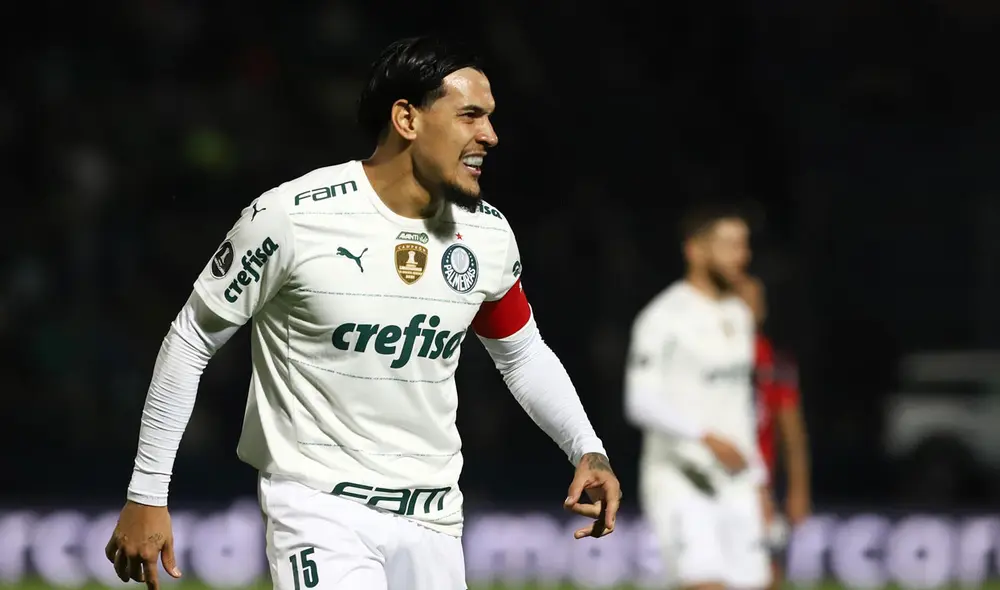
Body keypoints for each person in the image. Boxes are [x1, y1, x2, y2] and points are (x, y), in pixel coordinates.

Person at [104, 36, 621, 590]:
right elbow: (190, 340)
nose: (490, 136)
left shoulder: (488, 234)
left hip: (436, 521)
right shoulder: (291, 218)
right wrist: (147, 492)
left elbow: (521, 356)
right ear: (407, 119)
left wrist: (588, 447)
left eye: (490, 119)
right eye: (471, 115)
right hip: (320, 511)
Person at [624, 203, 770, 590]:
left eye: (744, 244)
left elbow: (741, 401)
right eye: (729, 244)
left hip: (738, 482)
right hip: (682, 479)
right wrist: (704, 436)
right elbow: (639, 401)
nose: (742, 255)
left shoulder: (739, 314)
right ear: (696, 249)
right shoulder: (663, 316)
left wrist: (759, 477)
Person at [734, 276, 812, 590]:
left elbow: (792, 433)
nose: (747, 308)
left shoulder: (775, 363)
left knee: (766, 573)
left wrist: (798, 489)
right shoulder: (704, 356)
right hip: (710, 483)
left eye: (754, 301)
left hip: (757, 486)